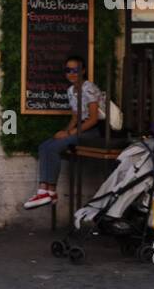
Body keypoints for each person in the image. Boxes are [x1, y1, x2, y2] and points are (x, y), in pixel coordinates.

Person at [23, 54, 103, 211]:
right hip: (78, 128)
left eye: (76, 69)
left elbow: (93, 119)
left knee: (53, 148)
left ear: (83, 70)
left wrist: (70, 133)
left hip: (93, 130)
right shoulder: (71, 90)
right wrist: (65, 131)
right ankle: (43, 190)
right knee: (44, 146)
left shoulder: (90, 88)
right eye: (68, 70)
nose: (71, 73)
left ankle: (51, 189)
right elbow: (75, 116)